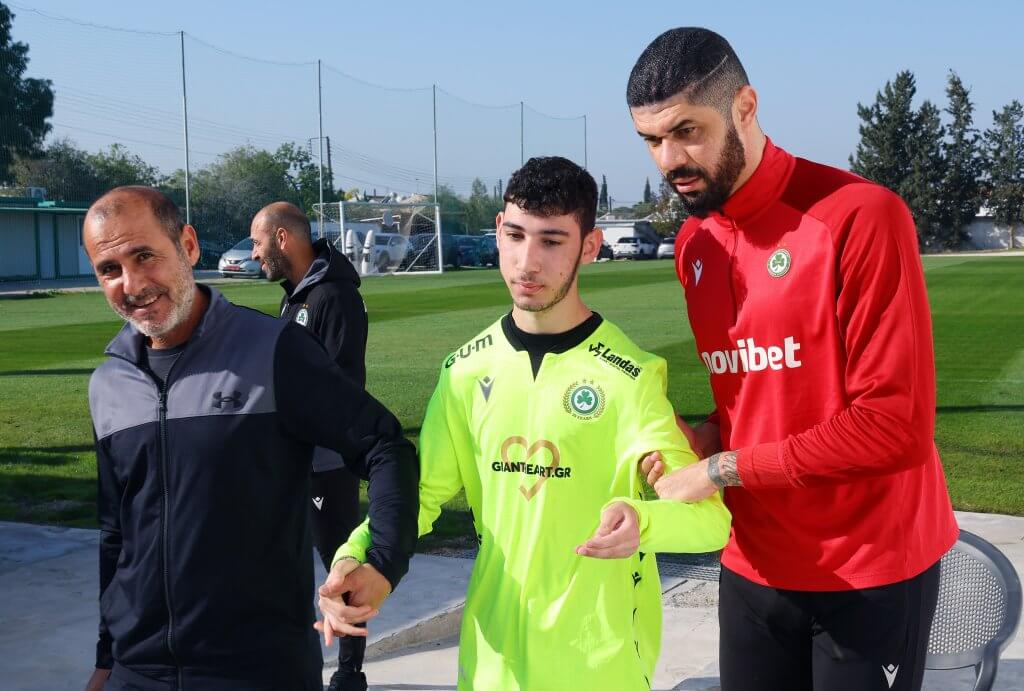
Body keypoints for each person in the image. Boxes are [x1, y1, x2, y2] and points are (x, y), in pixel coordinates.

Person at [319, 157, 731, 690]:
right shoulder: (464, 371)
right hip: (492, 664)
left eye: (552, 241)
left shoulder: (630, 376)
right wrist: (356, 555)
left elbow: (709, 522)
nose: (527, 262)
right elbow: (421, 496)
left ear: (590, 246)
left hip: (599, 667)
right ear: (498, 231)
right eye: (515, 236)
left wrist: (643, 522)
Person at [627, 28, 958, 691]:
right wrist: (700, 441)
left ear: (745, 107)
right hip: (752, 565)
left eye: (687, 131)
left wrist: (719, 469)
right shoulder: (695, 244)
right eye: (651, 140)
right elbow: (756, 397)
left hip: (869, 570)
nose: (669, 159)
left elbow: (894, 427)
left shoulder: (861, 215)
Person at [81, 186, 418, 691]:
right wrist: (108, 657)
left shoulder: (274, 350)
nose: (132, 284)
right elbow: (116, 533)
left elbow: (385, 446)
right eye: (110, 269)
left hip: (258, 668)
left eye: (145, 256)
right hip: (137, 670)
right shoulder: (109, 384)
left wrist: (382, 561)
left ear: (188, 245)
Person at [250, 201, 370, 691]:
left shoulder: (333, 297)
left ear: (283, 239)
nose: (254, 253)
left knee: (341, 568)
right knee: (283, 561)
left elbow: (340, 385)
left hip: (328, 461)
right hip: (294, 457)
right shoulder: (296, 296)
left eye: (258, 242)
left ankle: (349, 674)